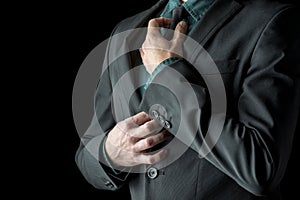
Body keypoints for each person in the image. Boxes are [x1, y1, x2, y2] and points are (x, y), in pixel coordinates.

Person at [75, 0, 300, 199]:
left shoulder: (269, 21)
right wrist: (109, 154)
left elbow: (260, 167)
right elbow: (86, 158)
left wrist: (167, 72)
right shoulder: (124, 32)